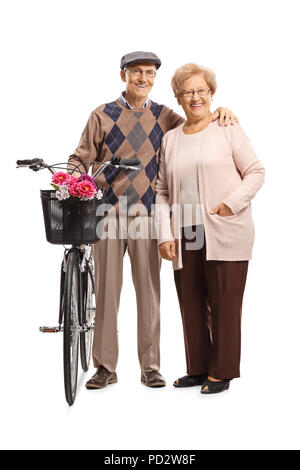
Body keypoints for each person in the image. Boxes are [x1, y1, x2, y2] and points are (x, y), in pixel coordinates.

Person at [68, 52, 238, 390]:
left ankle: (150, 366)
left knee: (149, 294)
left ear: (155, 78)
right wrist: (74, 183)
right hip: (107, 216)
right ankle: (105, 367)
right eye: (136, 73)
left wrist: (221, 112)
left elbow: (196, 121)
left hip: (147, 217)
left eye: (149, 73)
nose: (143, 78)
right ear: (123, 76)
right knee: (107, 293)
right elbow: (79, 158)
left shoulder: (164, 117)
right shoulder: (101, 116)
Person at [155, 63, 265, 394]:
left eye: (201, 90)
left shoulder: (227, 127)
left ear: (211, 93)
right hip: (186, 230)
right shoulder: (170, 139)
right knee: (190, 301)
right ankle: (199, 367)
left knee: (225, 301)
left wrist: (231, 203)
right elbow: (162, 191)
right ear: (177, 97)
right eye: (188, 91)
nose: (195, 97)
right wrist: (164, 233)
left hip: (224, 227)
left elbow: (256, 172)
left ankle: (223, 370)